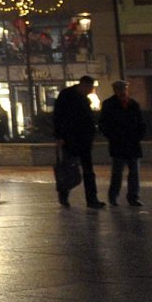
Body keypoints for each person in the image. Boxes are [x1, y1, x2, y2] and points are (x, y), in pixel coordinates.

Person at [52, 75, 102, 209]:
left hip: (83, 139)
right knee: (68, 168)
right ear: (83, 85)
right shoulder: (67, 96)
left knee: (87, 170)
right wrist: (60, 137)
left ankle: (92, 199)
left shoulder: (81, 98)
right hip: (70, 139)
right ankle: (64, 193)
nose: (90, 91)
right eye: (89, 88)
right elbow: (58, 116)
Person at [100, 79, 145, 207]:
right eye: (120, 89)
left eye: (124, 89)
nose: (122, 92)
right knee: (117, 173)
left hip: (132, 143)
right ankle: (114, 196)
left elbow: (141, 123)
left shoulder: (133, 104)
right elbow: (104, 124)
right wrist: (112, 137)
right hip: (118, 143)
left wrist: (138, 136)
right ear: (115, 90)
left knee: (134, 173)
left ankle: (133, 197)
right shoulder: (109, 105)